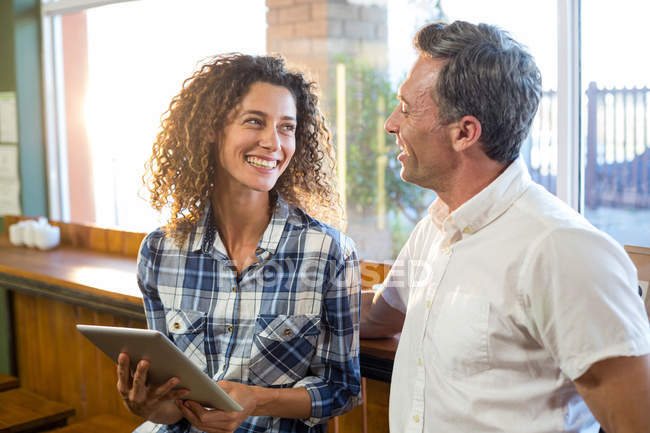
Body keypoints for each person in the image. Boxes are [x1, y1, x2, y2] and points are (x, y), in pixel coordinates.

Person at [361, 20, 650, 433]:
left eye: (406, 110)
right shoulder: (435, 227)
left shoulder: (563, 249)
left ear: (465, 132)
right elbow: (379, 315)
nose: (391, 123)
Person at [117, 54, 362, 433]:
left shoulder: (328, 252)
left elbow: (342, 389)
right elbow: (171, 408)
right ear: (212, 129)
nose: (273, 143)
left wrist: (257, 400)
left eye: (286, 127)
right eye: (255, 122)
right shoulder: (159, 252)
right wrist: (148, 406)